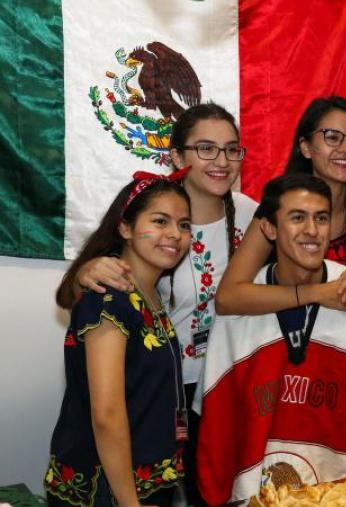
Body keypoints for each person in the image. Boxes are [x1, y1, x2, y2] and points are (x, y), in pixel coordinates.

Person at [60, 103, 258, 507]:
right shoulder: (151, 212)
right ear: (177, 157)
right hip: (161, 387)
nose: (220, 161)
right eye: (205, 148)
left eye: (231, 149)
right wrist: (86, 272)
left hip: (226, 381)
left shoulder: (253, 214)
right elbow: (78, 300)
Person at [195, 173, 346, 505]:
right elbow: (220, 421)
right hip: (259, 492)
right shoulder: (239, 307)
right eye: (297, 218)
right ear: (269, 228)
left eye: (321, 218)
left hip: (344, 492)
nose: (311, 230)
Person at [46, 171, 193, 507]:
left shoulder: (151, 295)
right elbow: (107, 413)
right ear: (125, 228)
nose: (175, 234)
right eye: (160, 221)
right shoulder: (109, 298)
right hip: (111, 492)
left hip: (146, 485)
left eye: (184, 225)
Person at [214, 96, 346, 316]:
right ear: (306, 147)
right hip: (284, 339)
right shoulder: (279, 205)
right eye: (333, 137)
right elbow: (227, 298)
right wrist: (316, 293)